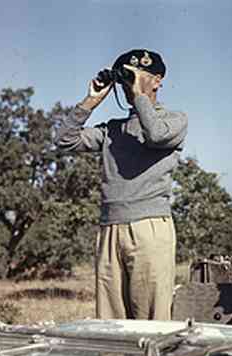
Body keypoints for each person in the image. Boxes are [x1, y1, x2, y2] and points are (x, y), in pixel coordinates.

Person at [56, 49, 187, 320]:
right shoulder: (111, 130)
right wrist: (91, 101)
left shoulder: (174, 120)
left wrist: (140, 95)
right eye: (126, 78)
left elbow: (156, 135)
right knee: (111, 322)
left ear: (158, 80)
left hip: (149, 228)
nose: (130, 84)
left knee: (152, 322)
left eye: (139, 76)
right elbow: (65, 140)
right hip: (110, 228)